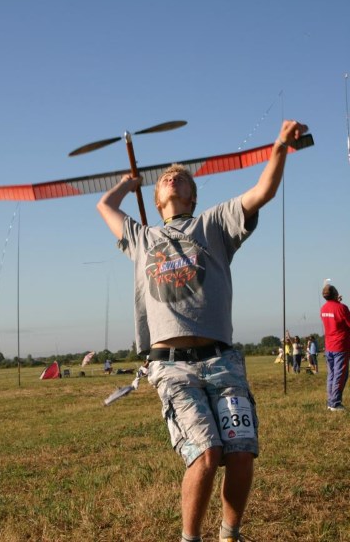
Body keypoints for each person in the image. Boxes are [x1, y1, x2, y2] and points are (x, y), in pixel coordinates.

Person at [97, 119, 308, 542]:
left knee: (242, 451)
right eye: (165, 179)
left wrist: (280, 147)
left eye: (182, 177)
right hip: (171, 366)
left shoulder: (213, 225)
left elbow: (261, 192)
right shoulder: (143, 239)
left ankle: (230, 533)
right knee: (207, 453)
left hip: (221, 358)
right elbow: (105, 207)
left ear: (193, 195)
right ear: (157, 198)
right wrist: (127, 183)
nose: (172, 178)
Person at [320, 284, 350, 411]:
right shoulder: (342, 308)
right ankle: (335, 403)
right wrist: (340, 304)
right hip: (341, 346)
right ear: (334, 293)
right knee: (340, 374)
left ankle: (331, 401)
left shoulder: (323, 308)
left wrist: (336, 302)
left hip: (329, 346)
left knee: (331, 375)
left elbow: (333, 314)